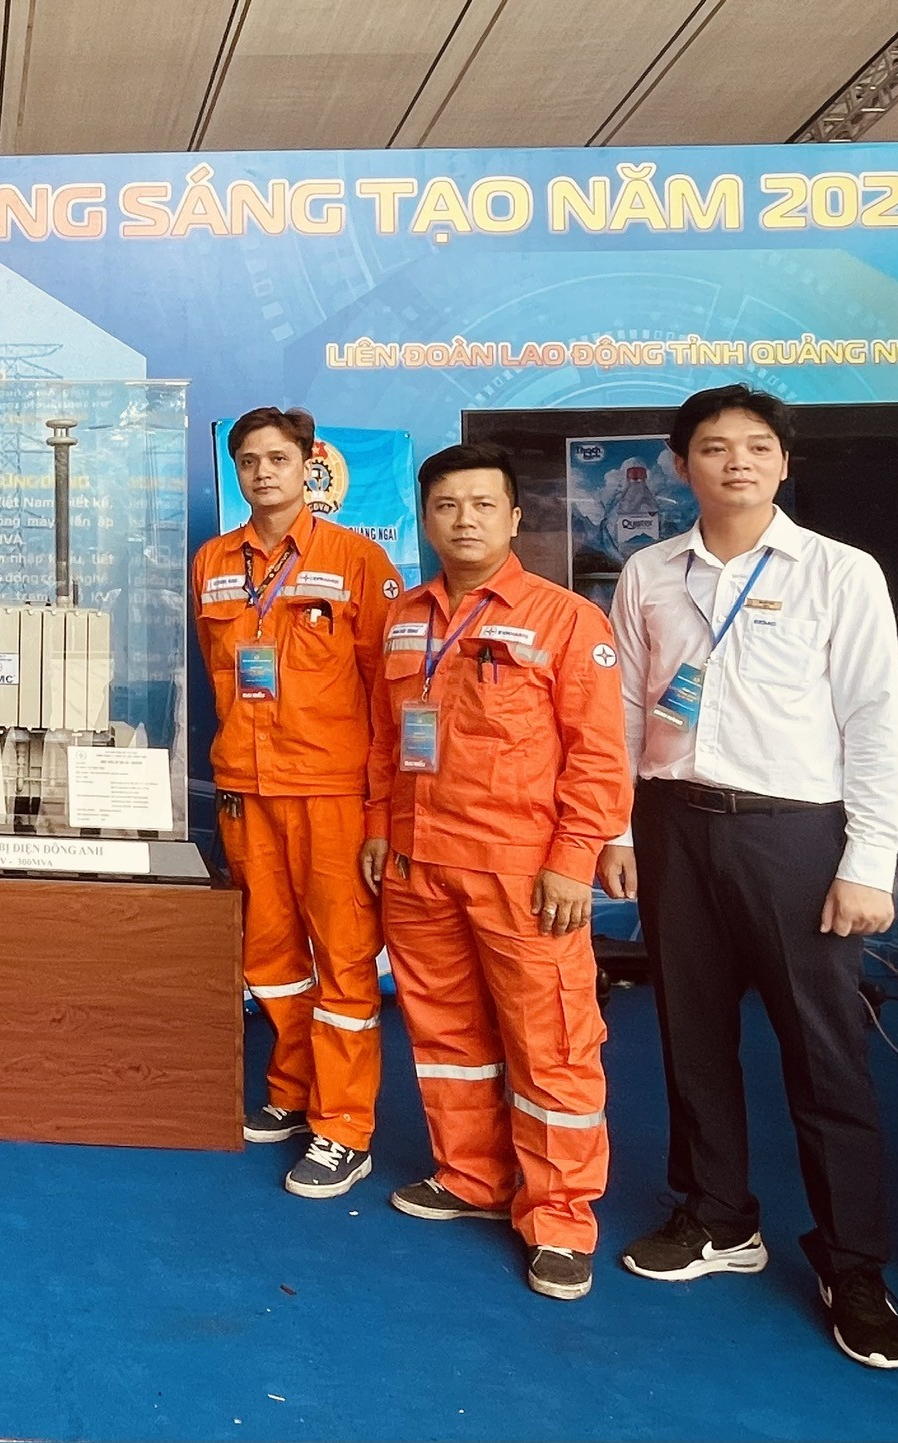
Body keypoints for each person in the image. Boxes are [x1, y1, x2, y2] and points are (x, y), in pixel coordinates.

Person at [599, 385, 898, 1368]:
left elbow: (874, 720)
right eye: (712, 446)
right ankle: (719, 1216)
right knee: (691, 1035)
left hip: (795, 835)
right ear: (679, 464)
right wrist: (618, 828)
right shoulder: (648, 571)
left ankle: (852, 1262)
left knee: (824, 1053)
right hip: (673, 825)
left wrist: (868, 861)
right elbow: (621, 709)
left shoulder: (839, 572)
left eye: (756, 445)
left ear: (783, 462)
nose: (735, 460)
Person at [359, 442, 631, 1302]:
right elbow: (384, 738)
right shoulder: (404, 616)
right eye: (446, 505)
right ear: (425, 519)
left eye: (482, 504)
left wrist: (573, 860)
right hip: (419, 864)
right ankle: (471, 1176)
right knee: (447, 1037)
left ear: (515, 517)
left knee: (551, 1045)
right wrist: (379, 828)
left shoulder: (565, 620)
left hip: (522, 872)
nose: (464, 519)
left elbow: (598, 756)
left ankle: (559, 1217)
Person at [190, 406, 400, 1198]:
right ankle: (294, 1089)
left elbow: (389, 693)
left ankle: (344, 1127)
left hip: (330, 789)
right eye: (248, 460)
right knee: (270, 955)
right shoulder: (212, 561)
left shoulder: (356, 559)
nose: (262, 473)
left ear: (308, 466)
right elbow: (218, 671)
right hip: (245, 789)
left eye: (277, 458)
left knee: (342, 958)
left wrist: (380, 809)